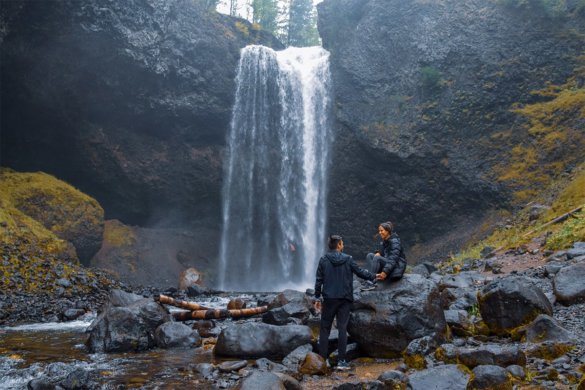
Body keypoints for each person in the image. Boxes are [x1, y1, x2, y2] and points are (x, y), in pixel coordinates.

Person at [314, 234, 384, 370]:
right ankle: (341, 361)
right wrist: (375, 275)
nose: (343, 245)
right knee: (342, 329)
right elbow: (360, 272)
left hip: (329, 298)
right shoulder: (348, 259)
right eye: (343, 243)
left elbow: (319, 280)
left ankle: (322, 360)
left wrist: (317, 297)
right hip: (345, 299)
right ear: (339, 245)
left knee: (324, 329)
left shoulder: (323, 259)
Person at [361, 221, 406, 291]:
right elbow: (383, 252)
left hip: (395, 267)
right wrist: (379, 252)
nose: (379, 232)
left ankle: (370, 283)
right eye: (379, 231)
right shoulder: (385, 241)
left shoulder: (395, 242)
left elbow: (393, 259)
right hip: (388, 264)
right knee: (370, 255)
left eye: (382, 230)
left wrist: (385, 272)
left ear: (387, 231)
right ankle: (368, 278)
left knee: (377, 258)